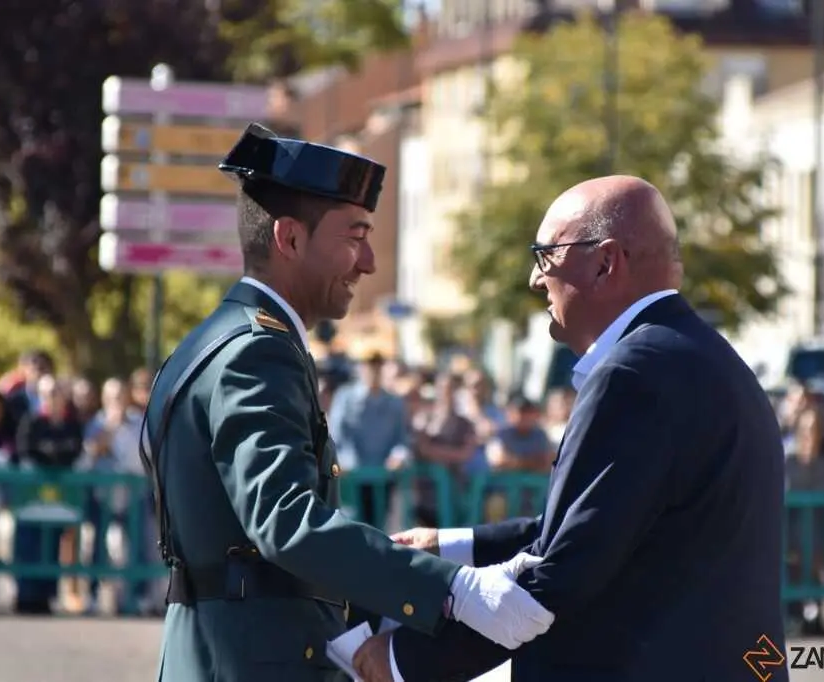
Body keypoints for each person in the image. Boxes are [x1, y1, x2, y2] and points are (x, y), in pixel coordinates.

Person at [143, 124, 553, 682]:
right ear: (289, 239)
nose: (368, 263)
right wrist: (451, 589)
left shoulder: (219, 340)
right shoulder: (258, 351)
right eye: (354, 235)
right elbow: (285, 521)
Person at [353, 176, 789, 682]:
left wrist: (402, 660)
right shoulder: (689, 355)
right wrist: (448, 545)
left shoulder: (636, 373)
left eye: (546, 255)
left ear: (605, 263)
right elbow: (595, 532)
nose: (537, 279)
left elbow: (562, 575)